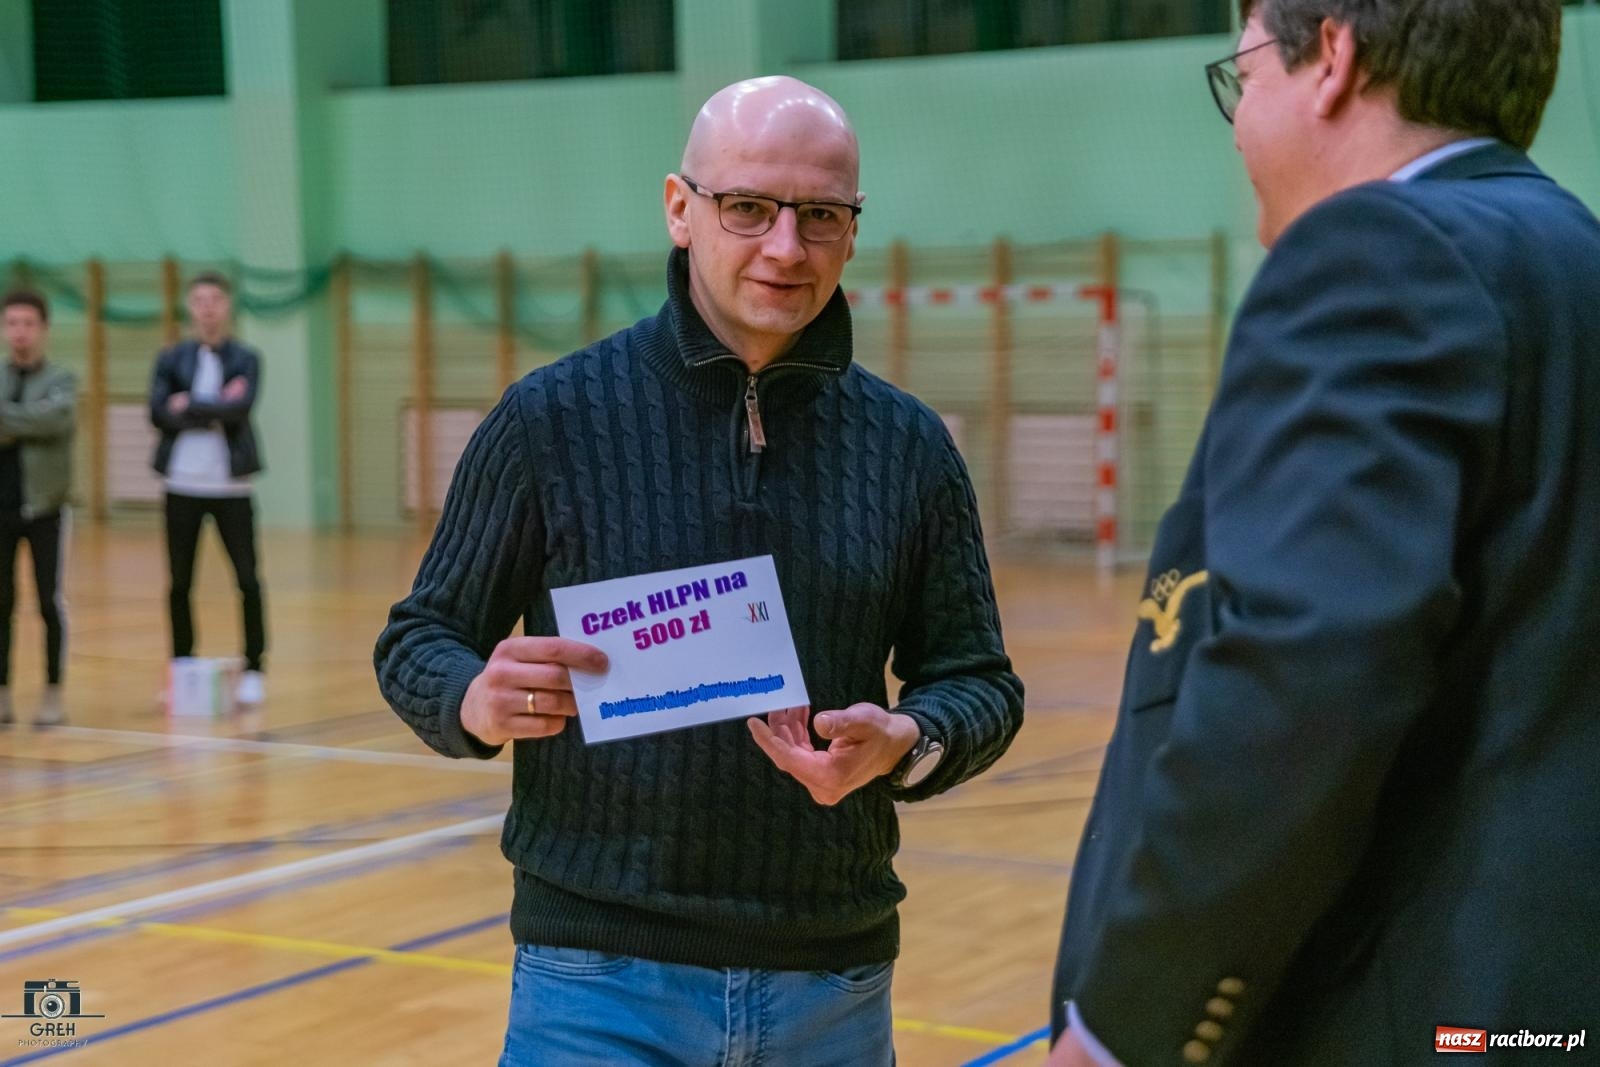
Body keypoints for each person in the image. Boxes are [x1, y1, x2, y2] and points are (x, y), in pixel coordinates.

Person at [375, 76, 1023, 1065]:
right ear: (681, 210)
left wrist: (910, 738)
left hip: (831, 984)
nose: (784, 246)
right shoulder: (550, 419)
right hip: (593, 978)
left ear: (853, 230)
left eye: (820, 215)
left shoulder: (910, 446)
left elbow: (979, 680)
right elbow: (419, 638)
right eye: (749, 207)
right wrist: (471, 696)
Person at [1049, 2, 1597, 1064]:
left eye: (1242, 76)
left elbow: (1302, 676)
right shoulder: (1571, 254)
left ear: (1331, 60)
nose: (1239, 120)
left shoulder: (1374, 250)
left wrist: (1129, 1026)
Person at [148, 271, 268, 706]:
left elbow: (241, 407)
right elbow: (158, 412)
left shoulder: (246, 358)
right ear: (189, 307)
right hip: (181, 484)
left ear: (227, 306)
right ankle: (181, 666)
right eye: (199, 300)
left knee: (247, 578)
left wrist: (189, 402)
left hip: (231, 485)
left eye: (216, 299)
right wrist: (214, 403)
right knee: (180, 581)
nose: (208, 308)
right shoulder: (171, 359)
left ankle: (255, 667)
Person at [0, 289, 77, 728]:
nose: (20, 332)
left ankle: (52, 691)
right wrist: (28, 419)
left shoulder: (61, 379)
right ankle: (3, 691)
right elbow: (38, 421)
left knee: (49, 601)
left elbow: (56, 422)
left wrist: (9, 420)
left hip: (45, 508)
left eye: (28, 324)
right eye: (12, 323)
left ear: (43, 329)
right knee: (1, 603)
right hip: (1, 509)